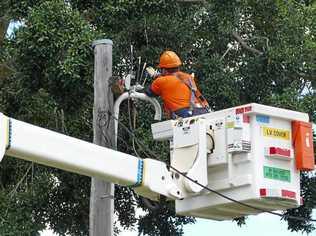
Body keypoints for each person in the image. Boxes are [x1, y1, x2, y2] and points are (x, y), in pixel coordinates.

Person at [145, 50, 210, 119]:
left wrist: (155, 77)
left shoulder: (160, 81)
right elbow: (173, 81)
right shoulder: (188, 77)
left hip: (185, 117)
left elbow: (150, 93)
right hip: (202, 111)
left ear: (164, 70)